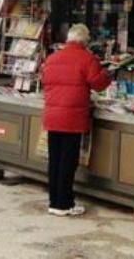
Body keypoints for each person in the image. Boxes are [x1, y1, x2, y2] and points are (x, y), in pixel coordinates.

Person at [42, 23, 111, 216]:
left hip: (53, 116)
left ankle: (54, 201)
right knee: (68, 161)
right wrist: (107, 74)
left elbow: (45, 80)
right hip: (71, 118)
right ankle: (65, 204)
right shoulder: (87, 59)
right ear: (84, 41)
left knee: (54, 159)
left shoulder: (52, 58)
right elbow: (98, 84)